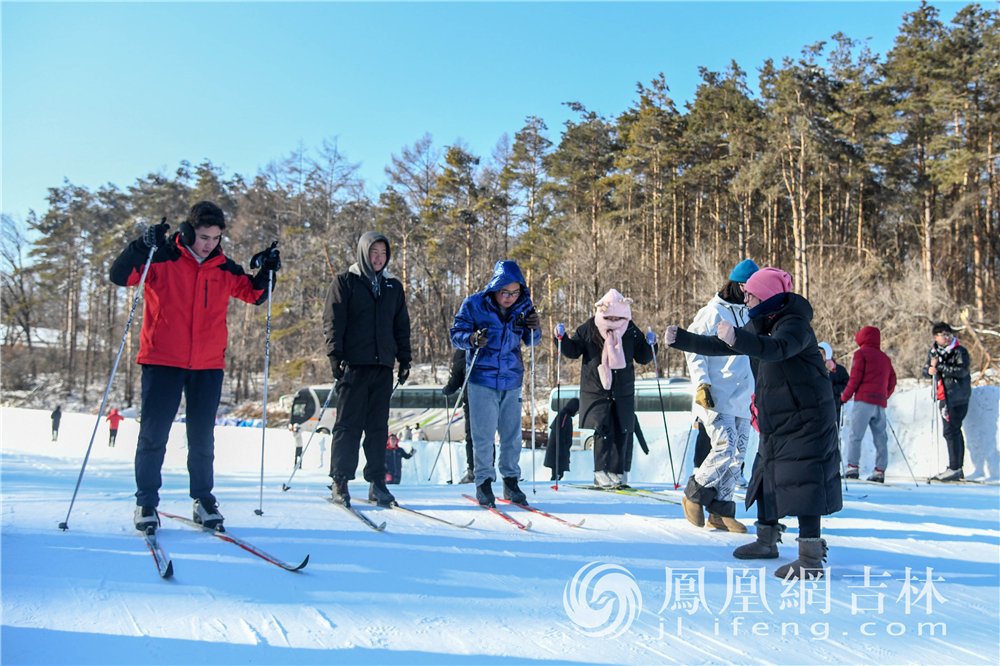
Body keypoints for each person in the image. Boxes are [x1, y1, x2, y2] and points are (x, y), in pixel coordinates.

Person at [110, 201, 280, 532]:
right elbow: (120, 276)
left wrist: (269, 270)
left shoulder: (223, 267)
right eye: (203, 237)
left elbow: (256, 295)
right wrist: (141, 245)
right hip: (163, 360)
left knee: (202, 438)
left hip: (208, 364)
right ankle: (146, 503)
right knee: (153, 435)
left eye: (215, 238)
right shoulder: (162, 257)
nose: (209, 244)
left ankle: (203, 500)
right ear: (188, 232)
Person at [668, 267, 843, 580]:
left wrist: (739, 338)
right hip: (778, 418)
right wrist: (683, 339)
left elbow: (776, 350)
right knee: (766, 477)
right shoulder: (764, 321)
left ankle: (811, 558)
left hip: (808, 417)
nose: (744, 297)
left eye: (750, 293)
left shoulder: (794, 324)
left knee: (805, 482)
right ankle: (766, 540)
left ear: (766, 296)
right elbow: (723, 346)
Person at [324, 232, 411, 508]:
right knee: (348, 426)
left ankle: (377, 481)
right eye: (374, 252)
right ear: (363, 252)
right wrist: (334, 355)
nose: (378, 258)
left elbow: (401, 327)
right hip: (354, 365)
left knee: (377, 428)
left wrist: (405, 359)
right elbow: (333, 321)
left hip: (382, 366)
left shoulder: (392, 287)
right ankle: (340, 480)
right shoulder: (345, 282)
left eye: (383, 253)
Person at [450, 260, 541, 507]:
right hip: (481, 379)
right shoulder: (474, 304)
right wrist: (472, 338)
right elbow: (455, 335)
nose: (509, 297)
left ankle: (511, 481)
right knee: (483, 435)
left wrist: (535, 328)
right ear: (495, 287)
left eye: (514, 292)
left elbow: (531, 341)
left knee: (512, 435)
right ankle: (483, 482)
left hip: (511, 378)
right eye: (504, 292)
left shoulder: (524, 305)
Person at [679, 259, 758, 533]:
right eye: (748, 289)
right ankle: (694, 493)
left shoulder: (750, 315)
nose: (750, 295)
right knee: (724, 447)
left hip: (742, 397)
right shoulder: (711, 312)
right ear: (736, 286)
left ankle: (721, 511)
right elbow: (693, 348)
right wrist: (702, 384)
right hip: (715, 395)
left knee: (737, 454)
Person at [558, 289, 655, 489]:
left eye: (617, 316)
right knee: (603, 429)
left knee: (623, 429)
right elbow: (573, 351)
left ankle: (617, 472)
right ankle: (600, 472)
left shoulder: (630, 330)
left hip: (623, 389)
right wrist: (562, 339)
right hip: (597, 388)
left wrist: (651, 344)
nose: (613, 320)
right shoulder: (590, 328)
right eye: (609, 316)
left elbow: (643, 357)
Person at [840, 327, 897, 483]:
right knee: (880, 437)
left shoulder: (861, 354)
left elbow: (855, 378)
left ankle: (852, 467)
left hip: (863, 401)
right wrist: (884, 395)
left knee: (855, 436)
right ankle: (880, 471)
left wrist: (844, 397)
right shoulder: (885, 358)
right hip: (879, 403)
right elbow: (893, 380)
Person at [922, 322, 971, 481]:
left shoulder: (959, 351)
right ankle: (955, 467)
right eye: (943, 335)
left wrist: (941, 367)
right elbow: (927, 370)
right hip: (943, 396)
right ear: (936, 337)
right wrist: (930, 370)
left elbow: (962, 371)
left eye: (948, 334)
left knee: (952, 430)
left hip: (957, 396)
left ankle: (955, 467)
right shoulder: (934, 352)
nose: (947, 337)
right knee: (950, 430)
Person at [443, 348, 478, 484]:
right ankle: (487, 469)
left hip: (472, 399)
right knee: (486, 435)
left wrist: (448, 389)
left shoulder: (462, 350)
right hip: (489, 398)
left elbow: (456, 376)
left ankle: (473, 471)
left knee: (471, 435)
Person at [545, 397, 579, 481]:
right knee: (558, 472)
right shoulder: (564, 416)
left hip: (561, 450)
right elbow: (560, 433)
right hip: (558, 451)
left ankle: (555, 482)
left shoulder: (565, 416)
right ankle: (554, 484)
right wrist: (562, 449)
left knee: (559, 472)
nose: (577, 413)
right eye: (577, 410)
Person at [818, 342, 850, 426]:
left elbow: (847, 385)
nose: (821, 356)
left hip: (834, 405)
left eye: (823, 353)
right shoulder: (814, 369)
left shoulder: (839, 370)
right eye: (818, 353)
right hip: (818, 407)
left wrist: (834, 389)